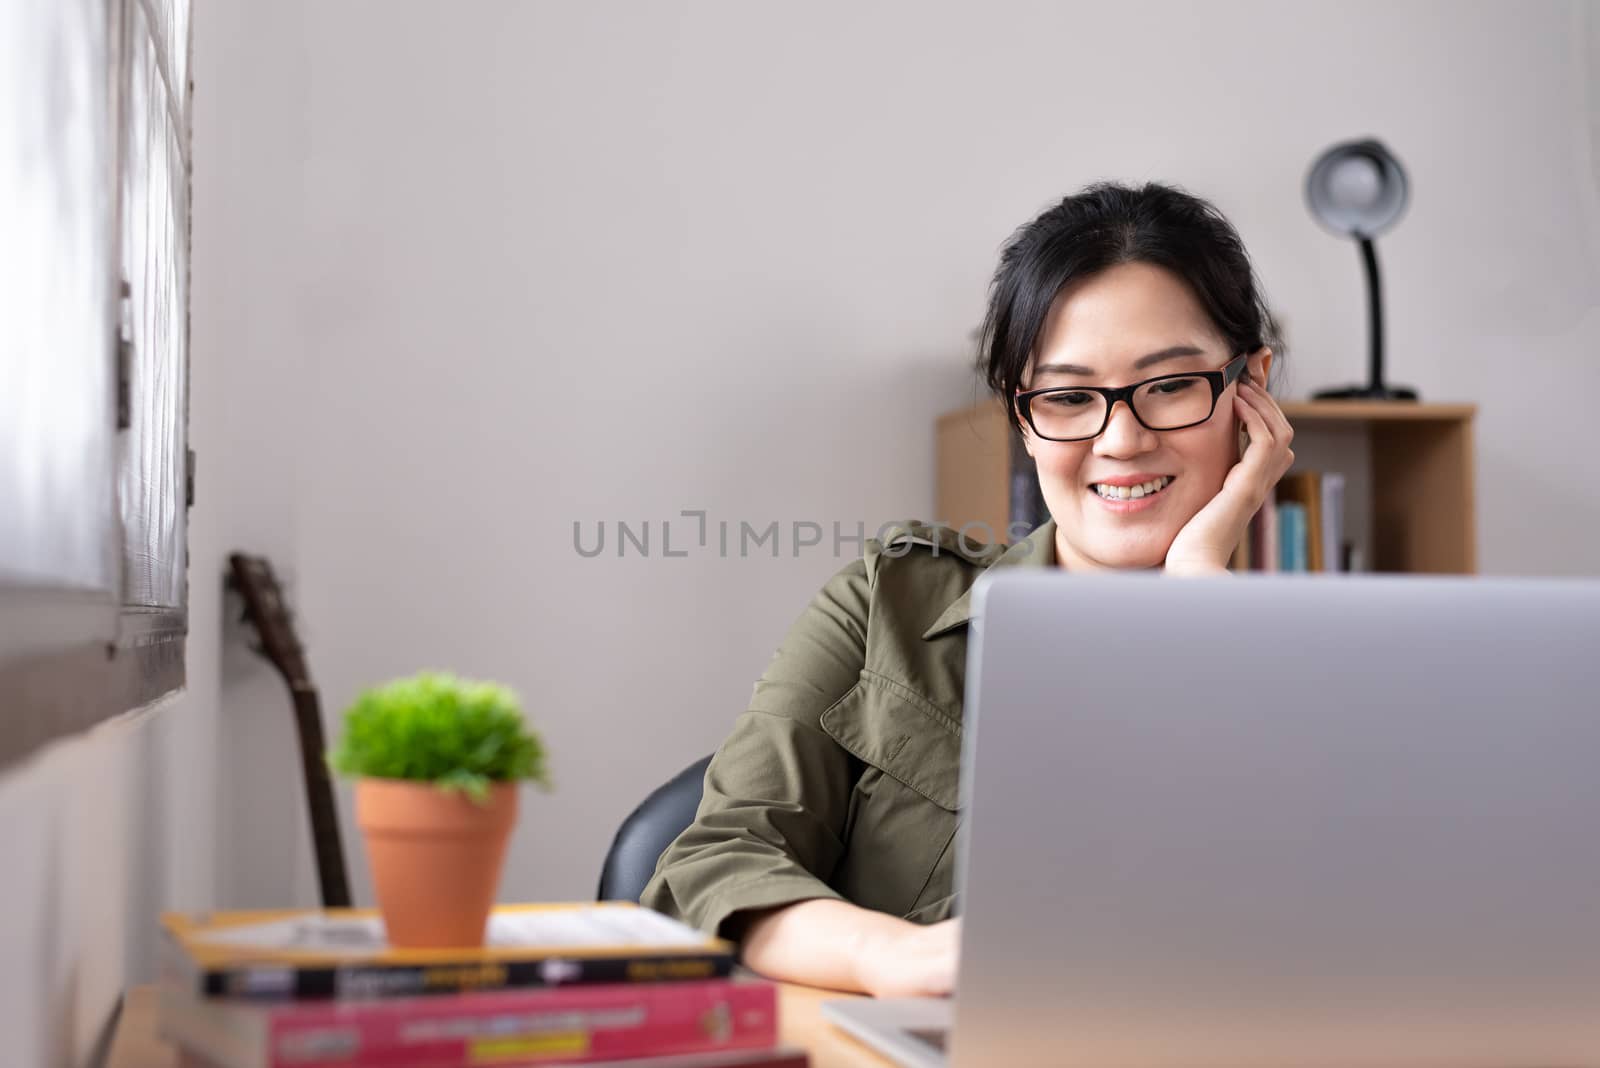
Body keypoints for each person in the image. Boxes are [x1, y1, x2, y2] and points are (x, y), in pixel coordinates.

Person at [639, 181, 1296, 998]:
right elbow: (712, 863)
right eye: (1066, 397)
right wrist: (893, 958)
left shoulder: (1328, 674)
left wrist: (1199, 600)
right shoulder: (890, 604)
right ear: (1023, 419)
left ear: (1252, 388)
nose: (1121, 439)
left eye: (1169, 386)